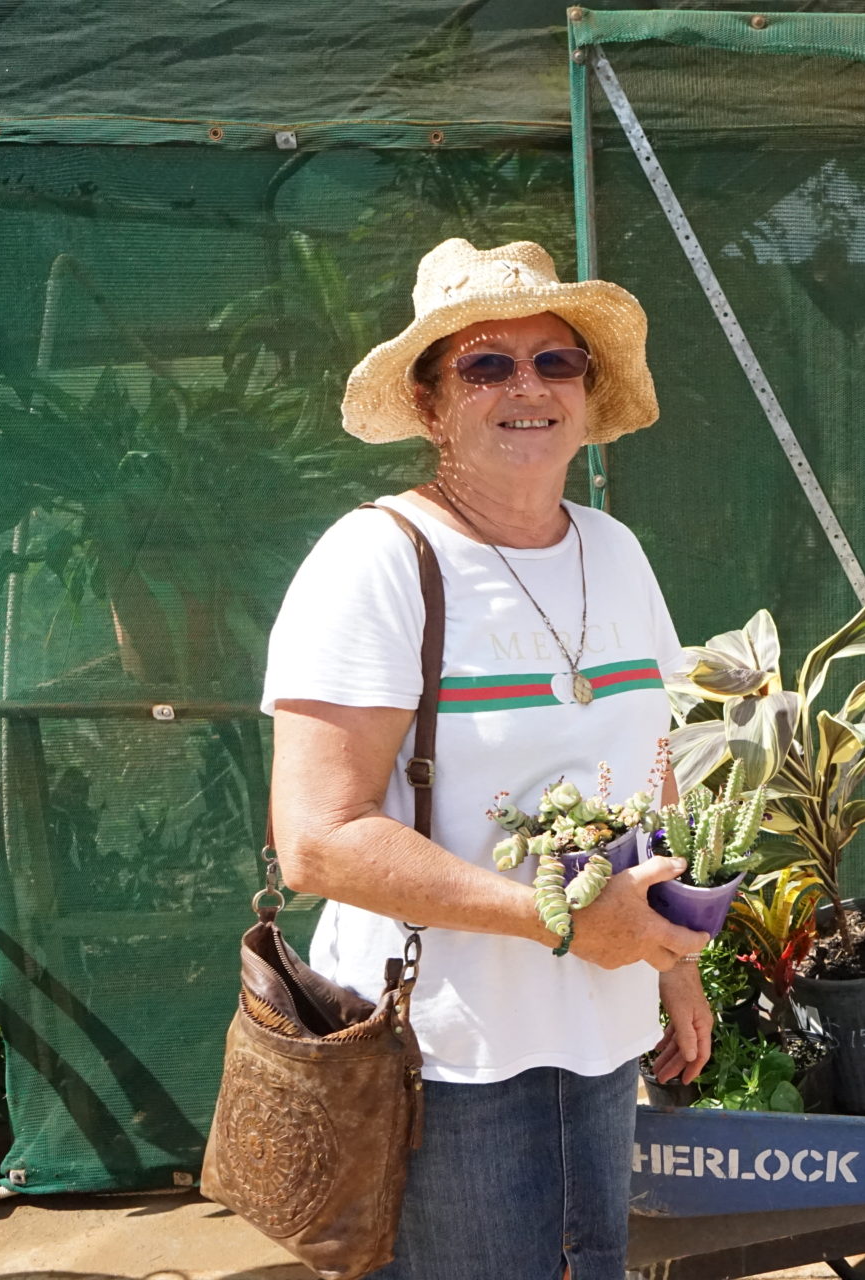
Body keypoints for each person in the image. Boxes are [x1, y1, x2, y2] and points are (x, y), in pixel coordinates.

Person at [263, 238, 713, 1280]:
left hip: (598, 1035)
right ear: (430, 404)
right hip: (441, 1054)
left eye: (557, 362)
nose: (529, 387)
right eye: (486, 365)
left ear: (589, 393)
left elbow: (657, 776)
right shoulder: (377, 560)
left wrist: (675, 957)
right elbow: (318, 839)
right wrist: (558, 917)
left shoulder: (615, 548)